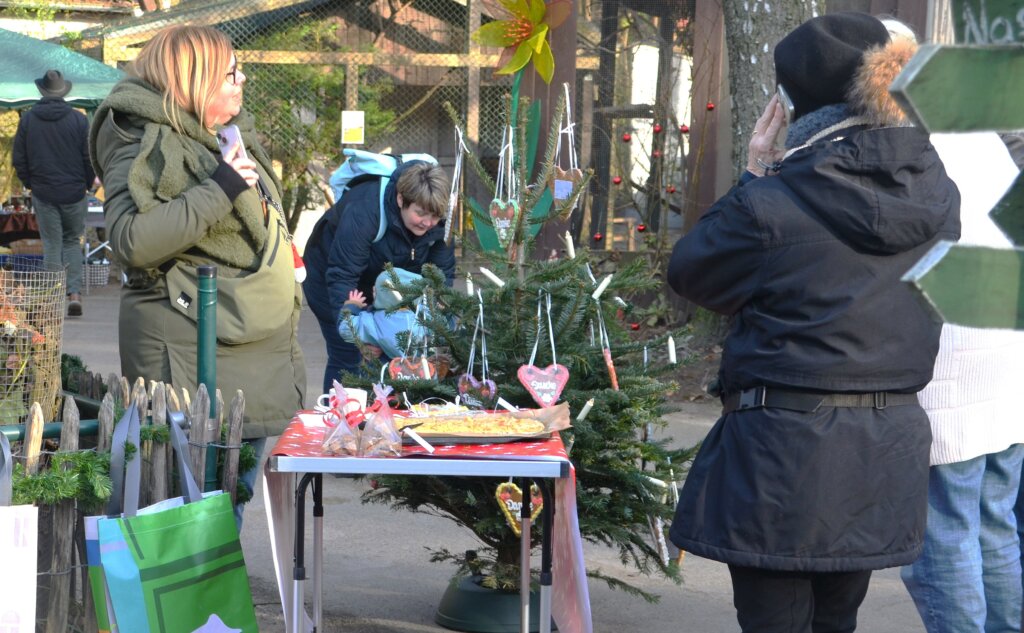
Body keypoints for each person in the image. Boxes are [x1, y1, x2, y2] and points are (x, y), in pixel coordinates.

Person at [666, 12, 960, 632]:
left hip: (784, 451)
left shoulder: (771, 202)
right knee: (835, 623)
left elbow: (692, 274)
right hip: (884, 447)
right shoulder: (937, 195)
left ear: (790, 107)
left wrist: (755, 169)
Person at [88, 25, 306, 523]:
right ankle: (192, 596)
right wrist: (221, 186)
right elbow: (131, 241)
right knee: (187, 505)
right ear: (195, 80)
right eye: (231, 72)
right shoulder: (137, 133)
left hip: (243, 338)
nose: (242, 78)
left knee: (229, 495)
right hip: (189, 343)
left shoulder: (222, 132)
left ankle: (209, 590)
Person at [302, 160, 455, 392]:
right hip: (333, 280)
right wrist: (358, 334)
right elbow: (342, 274)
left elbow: (441, 278)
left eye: (434, 216)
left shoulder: (439, 221)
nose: (428, 223)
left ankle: (386, 421)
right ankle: (340, 421)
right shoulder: (365, 211)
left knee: (397, 353)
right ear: (401, 199)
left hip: (386, 285)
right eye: (420, 213)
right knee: (349, 354)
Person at [12, 69, 95, 317]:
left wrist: (30, 183)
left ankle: (51, 301)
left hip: (44, 191)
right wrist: (86, 184)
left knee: (51, 244)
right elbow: (88, 157)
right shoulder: (79, 120)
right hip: (74, 191)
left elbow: (20, 158)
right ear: (63, 92)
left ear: (42, 91)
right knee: (71, 242)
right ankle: (75, 294)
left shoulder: (28, 120)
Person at [338, 267, 427, 360]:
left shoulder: (374, 321)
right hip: (423, 370)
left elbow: (345, 328)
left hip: (387, 371)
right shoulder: (426, 317)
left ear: (385, 297)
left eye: (376, 290)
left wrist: (352, 305)